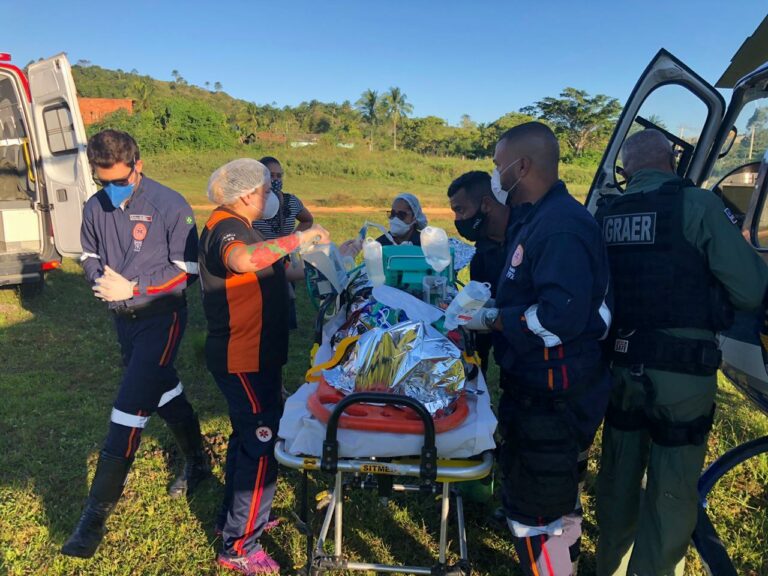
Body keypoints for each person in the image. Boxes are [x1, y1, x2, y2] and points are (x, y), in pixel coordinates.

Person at [594, 129, 768, 576]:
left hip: (618, 368)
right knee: (671, 491)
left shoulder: (606, 213)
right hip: (682, 374)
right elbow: (750, 291)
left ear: (625, 171)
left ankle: (610, 567)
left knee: (617, 482)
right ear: (672, 161)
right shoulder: (698, 206)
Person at [465, 122, 612, 575]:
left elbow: (558, 317)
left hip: (553, 396)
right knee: (552, 499)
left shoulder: (560, 226)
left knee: (535, 515)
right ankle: (564, 560)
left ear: (521, 166)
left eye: (497, 166)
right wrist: (491, 306)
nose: (495, 175)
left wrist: (493, 319)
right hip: (537, 388)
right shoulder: (534, 218)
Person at [62, 130, 209, 558]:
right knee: (163, 391)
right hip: (122, 321)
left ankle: (93, 519)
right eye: (101, 180)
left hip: (161, 318)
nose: (110, 189)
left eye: (118, 180)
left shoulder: (170, 205)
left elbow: (187, 270)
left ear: (137, 165)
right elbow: (88, 254)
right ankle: (199, 460)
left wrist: (135, 285)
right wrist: (100, 280)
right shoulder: (95, 205)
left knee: (128, 409)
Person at [199, 158, 329, 574]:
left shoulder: (246, 227)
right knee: (261, 442)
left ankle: (234, 520)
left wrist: (322, 256)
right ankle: (240, 545)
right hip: (243, 355)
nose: (272, 195)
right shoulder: (227, 227)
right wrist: (298, 237)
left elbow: (279, 273)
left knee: (246, 437)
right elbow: (242, 262)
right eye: (266, 188)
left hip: (259, 353)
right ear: (247, 194)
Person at [447, 170, 510, 375]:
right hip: (510, 364)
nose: (458, 219)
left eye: (461, 210)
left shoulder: (525, 237)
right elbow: (478, 309)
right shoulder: (482, 254)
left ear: (485, 205)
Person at [252, 156, 313, 330]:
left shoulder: (291, 201)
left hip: (284, 260)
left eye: (279, 176)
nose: (276, 180)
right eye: (271, 175)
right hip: (261, 260)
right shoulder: (254, 204)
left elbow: (307, 219)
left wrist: (293, 241)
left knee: (286, 304)